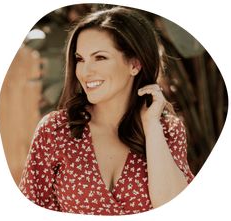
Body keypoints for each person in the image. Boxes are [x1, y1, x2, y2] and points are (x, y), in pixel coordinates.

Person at [19, 6, 194, 216]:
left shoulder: (167, 130)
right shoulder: (55, 130)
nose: (85, 71)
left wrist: (152, 127)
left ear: (135, 64)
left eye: (100, 58)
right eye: (80, 59)